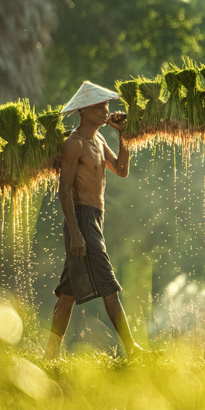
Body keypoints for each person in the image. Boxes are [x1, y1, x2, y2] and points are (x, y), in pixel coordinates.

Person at [44, 81, 145, 360]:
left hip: (95, 219)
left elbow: (122, 171)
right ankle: (132, 347)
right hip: (82, 218)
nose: (106, 111)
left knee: (67, 294)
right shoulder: (74, 144)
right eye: (100, 106)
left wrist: (124, 136)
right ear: (85, 110)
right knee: (108, 283)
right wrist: (75, 233)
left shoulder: (99, 140)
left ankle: (50, 354)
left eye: (106, 106)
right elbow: (64, 190)